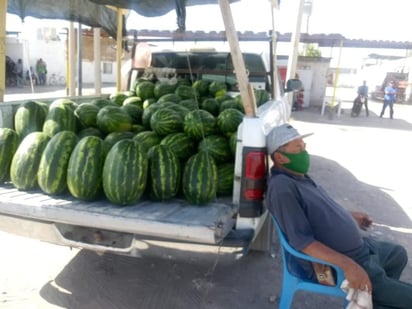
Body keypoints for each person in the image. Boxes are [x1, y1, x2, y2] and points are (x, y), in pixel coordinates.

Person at [266, 123, 412, 308]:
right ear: (280, 157)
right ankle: (378, 291)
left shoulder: (299, 176)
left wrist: (349, 216)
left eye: (304, 147)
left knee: (397, 254)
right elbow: (302, 242)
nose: (304, 152)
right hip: (336, 265)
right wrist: (349, 265)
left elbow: (319, 211)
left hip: (360, 249)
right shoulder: (283, 188)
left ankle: (376, 298)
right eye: (298, 148)